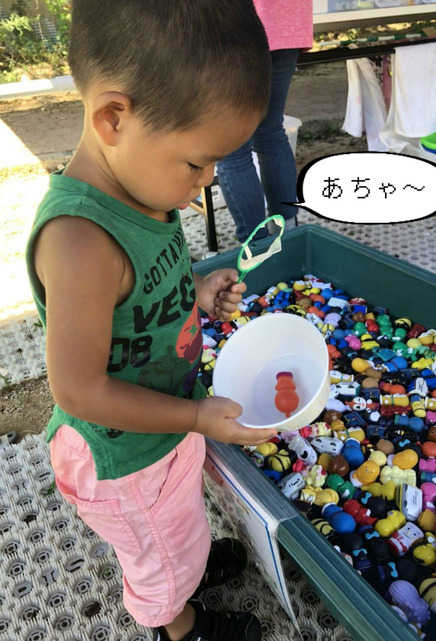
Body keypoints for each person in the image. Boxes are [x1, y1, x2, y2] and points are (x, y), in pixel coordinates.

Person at [25, 2, 278, 640]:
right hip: (125, 458)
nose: (208, 182)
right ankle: (177, 620)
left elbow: (142, 293)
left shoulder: (139, 185)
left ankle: (183, 561)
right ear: (113, 118)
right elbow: (79, 390)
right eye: (197, 163)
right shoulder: (80, 240)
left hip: (161, 428)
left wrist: (193, 290)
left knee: (178, 528)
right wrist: (194, 417)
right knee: (158, 560)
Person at [216, 0, 313, 242]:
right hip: (288, 23)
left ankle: (256, 247)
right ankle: (287, 233)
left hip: (237, 28)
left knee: (233, 148)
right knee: (271, 134)